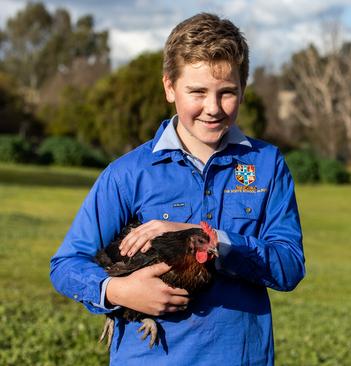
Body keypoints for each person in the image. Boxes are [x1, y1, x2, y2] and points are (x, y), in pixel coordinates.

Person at [50, 13, 305, 365]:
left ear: (243, 89)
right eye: (197, 92)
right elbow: (65, 264)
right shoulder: (128, 173)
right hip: (149, 357)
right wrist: (117, 290)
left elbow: (289, 265)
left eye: (227, 92)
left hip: (240, 356)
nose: (212, 108)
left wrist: (212, 239)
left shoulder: (266, 165)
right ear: (170, 87)